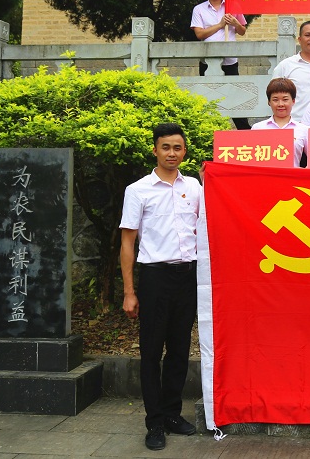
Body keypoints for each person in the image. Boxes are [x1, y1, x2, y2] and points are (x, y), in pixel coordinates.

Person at [119, 123, 202, 451]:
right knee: (151, 352)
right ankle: (154, 422)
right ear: (155, 150)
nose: (171, 153)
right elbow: (128, 242)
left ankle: (172, 414)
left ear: (184, 151)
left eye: (177, 148)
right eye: (165, 147)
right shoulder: (138, 190)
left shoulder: (194, 186)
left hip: (187, 277)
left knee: (180, 350)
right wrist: (129, 291)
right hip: (155, 278)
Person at [190, 0, 250, 128]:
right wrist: (220, 25)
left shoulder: (232, 6)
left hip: (230, 60)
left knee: (234, 96)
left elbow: (242, 31)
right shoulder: (199, 9)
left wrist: (235, 23)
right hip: (207, 60)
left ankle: (244, 130)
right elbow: (199, 34)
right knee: (208, 97)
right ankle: (210, 130)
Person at [273, 20, 310, 122]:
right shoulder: (285, 66)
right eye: (308, 35)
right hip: (296, 123)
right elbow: (274, 96)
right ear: (299, 39)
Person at [251, 78, 308, 166]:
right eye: (275, 100)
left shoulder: (304, 130)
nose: (280, 104)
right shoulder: (258, 128)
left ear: (293, 101)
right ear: (269, 102)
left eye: (285, 99)